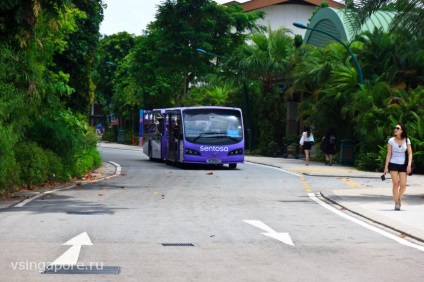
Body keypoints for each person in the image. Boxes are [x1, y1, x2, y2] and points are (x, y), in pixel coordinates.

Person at [384, 123, 413, 211]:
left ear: (402, 130)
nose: (395, 129)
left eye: (397, 128)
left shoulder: (407, 140)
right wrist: (386, 167)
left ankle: (398, 198)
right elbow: (389, 154)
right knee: (396, 184)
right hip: (393, 163)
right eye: (395, 128)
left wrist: (409, 165)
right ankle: (396, 203)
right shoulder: (391, 140)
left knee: (403, 185)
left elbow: (410, 153)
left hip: (403, 164)